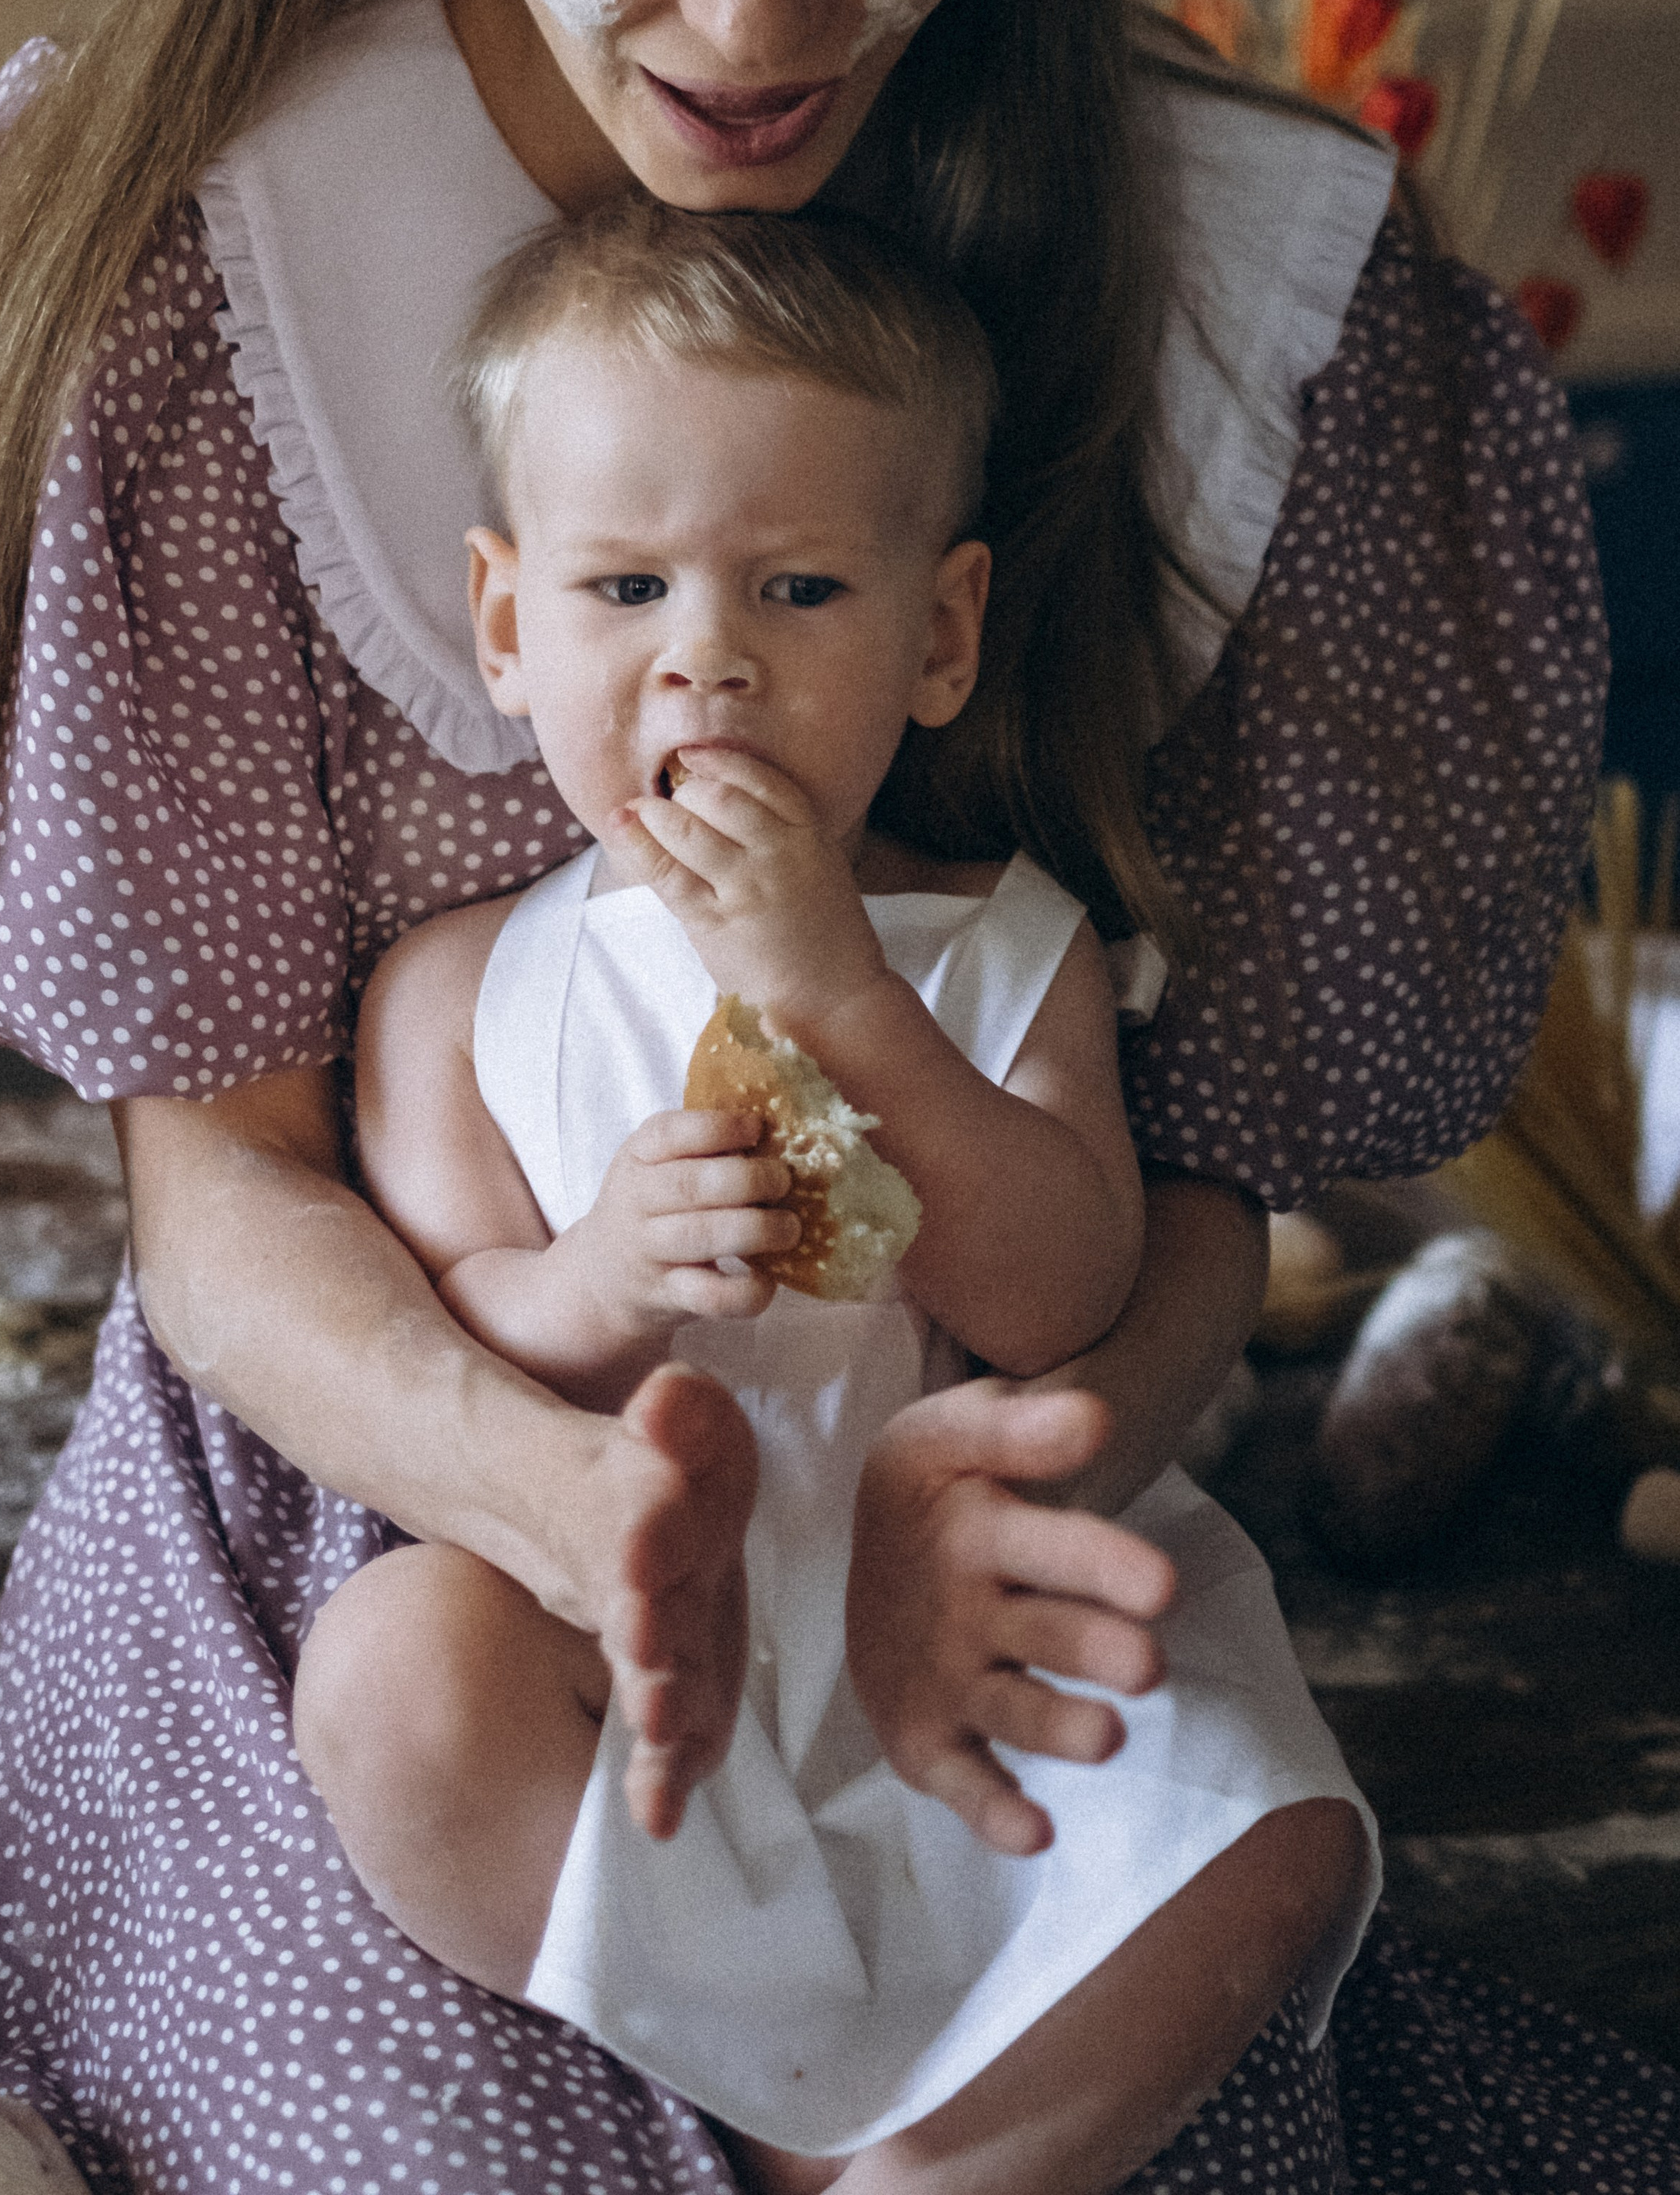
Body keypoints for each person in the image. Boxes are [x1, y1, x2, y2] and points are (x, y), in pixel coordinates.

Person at [0, 0, 1643, 2191]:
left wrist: (1024, 1473)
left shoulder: (1268, 304)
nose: (754, 21)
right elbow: (222, 1186)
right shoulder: (194, 281)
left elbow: (1192, 1179)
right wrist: (569, 1488)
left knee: (1197, 2042)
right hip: (395, 1480)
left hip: (963, 1462)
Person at [296, 197, 1378, 2184]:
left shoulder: (1001, 947)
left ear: (941, 634)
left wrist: (847, 996)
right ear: (508, 622)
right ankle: (764, 2072)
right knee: (387, 1669)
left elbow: (1066, 1287)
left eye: (797, 588)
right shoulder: (460, 990)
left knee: (1291, 1838)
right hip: (640, 1666)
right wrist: (604, 1274)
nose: (704, 656)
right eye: (626, 586)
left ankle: (923, 2157)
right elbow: (458, 1315)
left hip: (980, 1638)